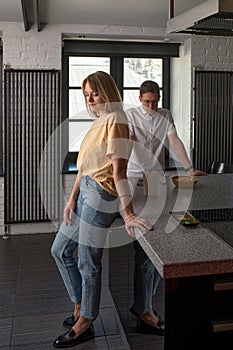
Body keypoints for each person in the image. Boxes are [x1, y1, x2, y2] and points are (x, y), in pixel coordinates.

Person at [51, 71, 153, 348]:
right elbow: (85, 167)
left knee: (87, 260)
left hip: (100, 196)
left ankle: (85, 320)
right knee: (59, 249)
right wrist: (71, 199)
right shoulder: (99, 121)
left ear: (107, 90)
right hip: (83, 191)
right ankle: (80, 305)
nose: (90, 99)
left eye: (94, 93)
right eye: (86, 94)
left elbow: (118, 172)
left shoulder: (118, 121)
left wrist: (128, 212)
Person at [126, 80, 206, 335]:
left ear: (159, 98)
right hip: (133, 180)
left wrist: (187, 166)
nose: (151, 105)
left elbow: (175, 141)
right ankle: (144, 308)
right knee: (146, 245)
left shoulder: (165, 115)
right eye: (147, 101)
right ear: (139, 98)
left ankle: (143, 305)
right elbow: (128, 146)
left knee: (156, 243)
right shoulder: (130, 116)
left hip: (155, 180)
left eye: (155, 101)